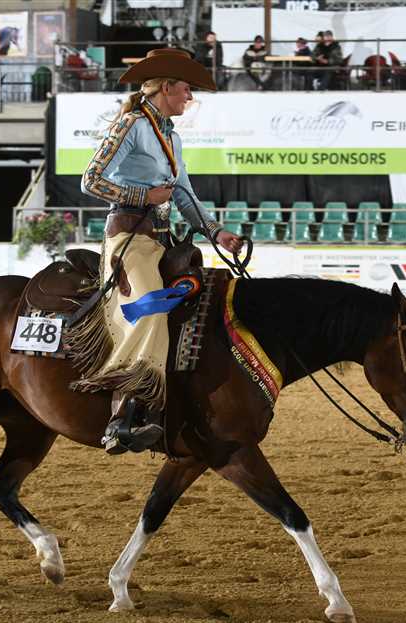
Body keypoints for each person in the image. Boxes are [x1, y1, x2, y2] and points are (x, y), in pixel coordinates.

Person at [76, 48, 242, 454]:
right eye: (186, 89)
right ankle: (122, 415)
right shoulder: (131, 124)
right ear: (166, 87)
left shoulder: (171, 136)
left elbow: (184, 195)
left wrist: (217, 232)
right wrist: (142, 195)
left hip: (163, 241)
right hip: (128, 237)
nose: (190, 97)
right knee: (149, 308)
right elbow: (90, 180)